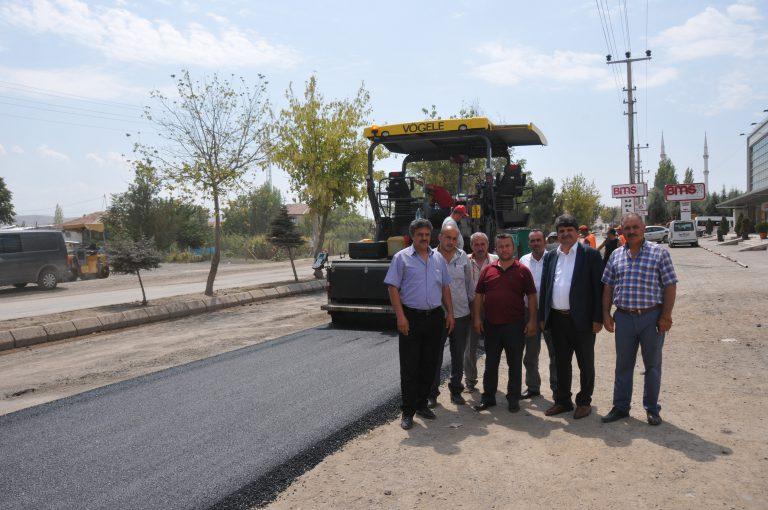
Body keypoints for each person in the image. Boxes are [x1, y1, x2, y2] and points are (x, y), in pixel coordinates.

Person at [601, 213, 678, 426]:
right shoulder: (616, 255)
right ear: (622, 232)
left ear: (643, 228)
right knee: (623, 365)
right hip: (624, 318)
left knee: (652, 366)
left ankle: (652, 409)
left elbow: (670, 285)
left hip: (651, 318)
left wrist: (666, 316)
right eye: (627, 228)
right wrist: (606, 314)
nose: (632, 231)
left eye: (635, 227)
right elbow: (608, 286)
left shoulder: (659, 253)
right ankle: (621, 407)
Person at [385, 219, 455, 431]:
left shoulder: (438, 259)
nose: (424, 238)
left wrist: (450, 313)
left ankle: (422, 404)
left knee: (429, 365)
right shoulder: (401, 258)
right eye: (420, 235)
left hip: (434, 318)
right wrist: (400, 316)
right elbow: (392, 288)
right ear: (412, 236)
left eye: (427, 234)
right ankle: (407, 412)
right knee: (410, 367)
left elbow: (445, 288)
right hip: (411, 318)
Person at [538, 214, 604, 419]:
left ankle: (584, 401)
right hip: (557, 320)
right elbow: (546, 288)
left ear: (577, 232)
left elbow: (598, 289)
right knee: (561, 363)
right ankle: (563, 401)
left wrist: (598, 318)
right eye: (561, 231)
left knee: (585, 362)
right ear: (557, 235)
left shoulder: (590, 255)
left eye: (569, 230)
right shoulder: (550, 256)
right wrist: (543, 316)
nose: (565, 234)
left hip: (583, 320)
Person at [472, 233, 537, 413]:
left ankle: (513, 398)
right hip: (491, 325)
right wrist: (477, 319)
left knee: (514, 364)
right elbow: (478, 296)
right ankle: (489, 398)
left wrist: (532, 320)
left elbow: (531, 296)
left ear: (513, 247)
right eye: (500, 246)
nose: (504, 249)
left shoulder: (523, 271)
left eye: (507, 246)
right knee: (490, 363)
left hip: (515, 326)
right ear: (496, 248)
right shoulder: (488, 270)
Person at [428, 224, 474, 407]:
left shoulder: (463, 257)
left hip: (461, 314)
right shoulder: (430, 257)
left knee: (458, 355)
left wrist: (472, 312)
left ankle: (456, 391)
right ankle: (432, 394)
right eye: (448, 237)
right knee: (434, 356)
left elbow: (470, 286)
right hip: (437, 315)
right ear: (439, 237)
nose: (451, 242)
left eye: (455, 238)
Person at [519, 229, 557, 400]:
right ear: (529, 243)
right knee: (531, 354)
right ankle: (533, 387)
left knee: (555, 353)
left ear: (545, 242)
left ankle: (558, 389)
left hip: (550, 313)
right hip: (529, 313)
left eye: (538, 240)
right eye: (532, 241)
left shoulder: (553, 258)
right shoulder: (523, 261)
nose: (535, 243)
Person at [464, 232, 498, 392]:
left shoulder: (496, 261)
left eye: (482, 244)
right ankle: (470, 380)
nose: (479, 247)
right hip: (471, 308)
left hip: (492, 309)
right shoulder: (465, 261)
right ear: (471, 246)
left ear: (487, 245)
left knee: (493, 346)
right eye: (476, 245)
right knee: (469, 346)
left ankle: (490, 381)